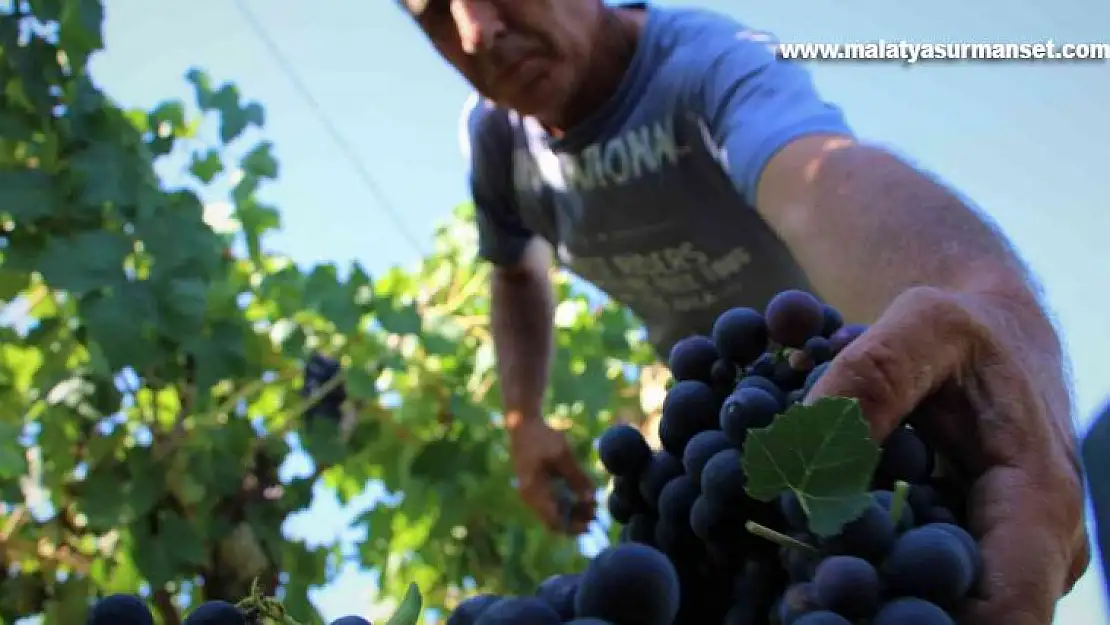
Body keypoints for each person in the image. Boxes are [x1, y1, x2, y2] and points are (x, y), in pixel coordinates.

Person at [400, 0, 1089, 622]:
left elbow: (823, 178)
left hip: (839, 416)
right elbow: (516, 272)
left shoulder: (704, 65)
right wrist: (523, 415)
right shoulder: (497, 138)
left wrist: (989, 299)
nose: (475, 29)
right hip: (710, 441)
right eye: (435, 13)